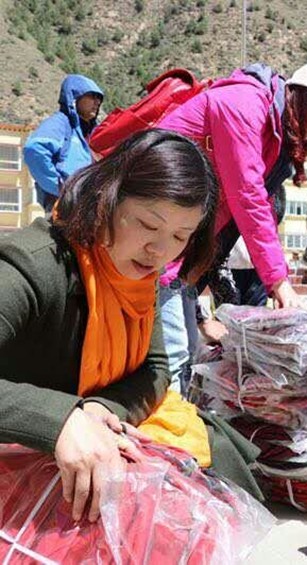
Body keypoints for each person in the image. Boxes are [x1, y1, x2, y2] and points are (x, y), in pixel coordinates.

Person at [0, 130, 264, 526]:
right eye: (147, 224)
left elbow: (155, 369)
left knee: (214, 479)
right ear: (107, 198)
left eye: (180, 236)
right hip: (21, 454)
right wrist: (59, 419)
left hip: (90, 443)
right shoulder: (34, 266)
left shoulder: (137, 275)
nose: (160, 251)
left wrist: (103, 408)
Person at [157, 60, 307, 391]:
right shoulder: (243, 104)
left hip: (178, 254)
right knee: (172, 362)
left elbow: (247, 206)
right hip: (156, 243)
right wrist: (279, 282)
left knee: (183, 359)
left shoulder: (272, 133)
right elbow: (247, 195)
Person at [23, 74, 104, 212]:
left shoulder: (93, 131)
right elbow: (34, 149)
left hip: (89, 205)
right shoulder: (60, 123)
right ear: (75, 97)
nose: (97, 102)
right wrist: (59, 187)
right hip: (65, 207)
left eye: (99, 98)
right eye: (92, 96)